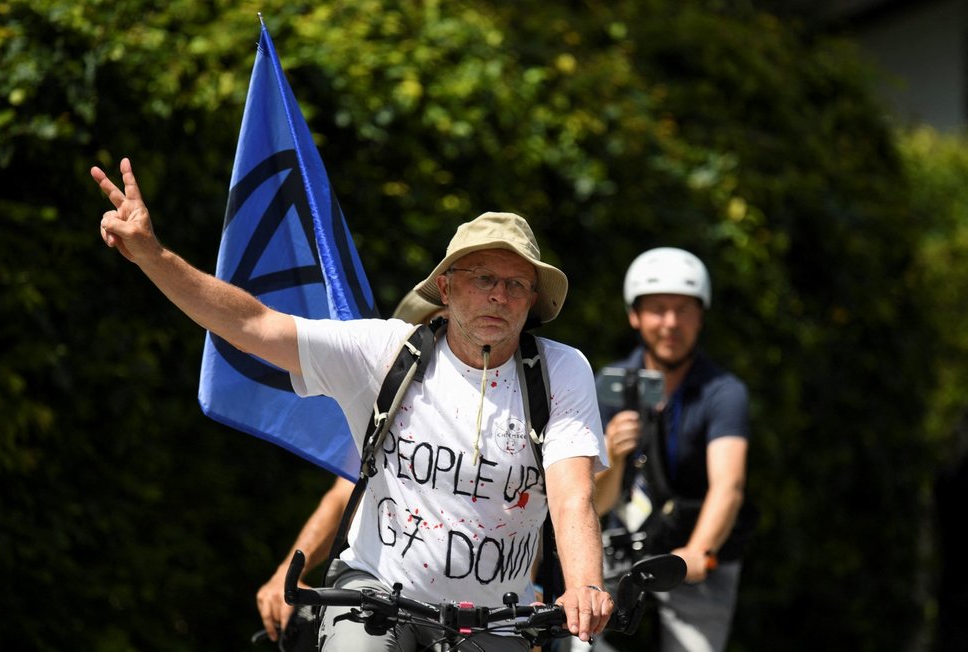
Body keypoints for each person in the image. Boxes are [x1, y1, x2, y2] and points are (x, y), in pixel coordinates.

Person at [91, 158, 613, 651]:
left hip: (496, 613)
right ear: (446, 288)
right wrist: (152, 256)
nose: (500, 295)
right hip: (376, 592)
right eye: (483, 278)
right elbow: (253, 325)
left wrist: (585, 585)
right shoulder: (385, 352)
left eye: (517, 284)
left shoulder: (560, 371)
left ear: (533, 300)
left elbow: (571, 497)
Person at [255, 291, 447, 646]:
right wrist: (288, 570)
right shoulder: (393, 405)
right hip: (386, 593)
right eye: (433, 327)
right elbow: (343, 494)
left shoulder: (516, 397)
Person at [585, 247, 752, 652]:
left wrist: (697, 553)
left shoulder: (723, 392)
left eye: (684, 310)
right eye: (658, 309)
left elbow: (728, 486)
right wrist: (613, 455)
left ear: (701, 315)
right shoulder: (607, 384)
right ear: (635, 315)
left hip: (695, 553)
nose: (671, 323)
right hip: (618, 551)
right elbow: (594, 503)